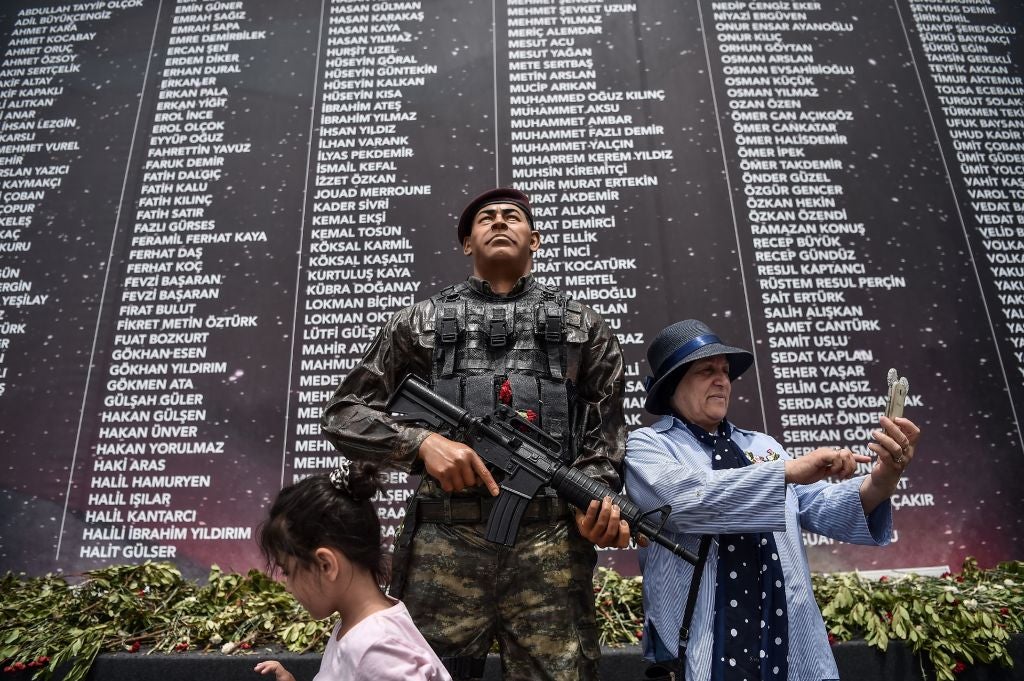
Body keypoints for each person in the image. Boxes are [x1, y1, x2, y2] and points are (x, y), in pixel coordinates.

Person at [319, 187, 631, 681]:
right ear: (468, 243)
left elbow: (603, 436)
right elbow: (343, 413)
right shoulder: (416, 322)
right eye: (486, 218)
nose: (500, 223)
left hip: (549, 546)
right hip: (444, 543)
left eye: (513, 217)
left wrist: (595, 502)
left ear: (536, 239)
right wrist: (420, 444)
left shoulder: (585, 329)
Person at [624, 319, 922, 681]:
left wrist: (885, 475)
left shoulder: (764, 447)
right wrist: (786, 472)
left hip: (786, 641)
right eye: (706, 370)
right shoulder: (647, 446)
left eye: (725, 371)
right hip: (705, 648)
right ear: (672, 384)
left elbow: (819, 506)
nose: (722, 380)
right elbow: (685, 500)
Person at [253, 462, 451, 681]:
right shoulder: (356, 627)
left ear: (326, 565)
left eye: (288, 571)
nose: (288, 586)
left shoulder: (378, 649)